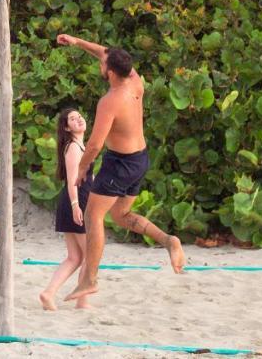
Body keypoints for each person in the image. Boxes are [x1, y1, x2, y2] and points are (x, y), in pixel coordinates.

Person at [55, 34, 186, 303]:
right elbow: (105, 51)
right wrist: (77, 43)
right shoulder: (135, 80)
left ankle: (89, 280)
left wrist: (81, 169)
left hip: (120, 164)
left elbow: (94, 145)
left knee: (93, 216)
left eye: (103, 65)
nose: (100, 64)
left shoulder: (110, 101)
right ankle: (169, 241)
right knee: (121, 215)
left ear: (110, 72)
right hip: (140, 158)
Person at [39, 107, 93, 311]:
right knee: (89, 255)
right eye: (73, 118)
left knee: (75, 257)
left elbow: (89, 179)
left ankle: (48, 293)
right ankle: (82, 301)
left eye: (80, 116)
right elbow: (72, 181)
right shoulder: (72, 147)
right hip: (75, 203)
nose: (78, 119)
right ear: (66, 127)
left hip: (80, 202)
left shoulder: (80, 145)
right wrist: (75, 206)